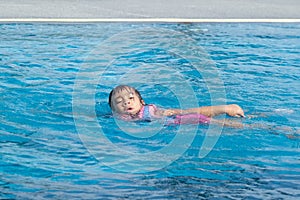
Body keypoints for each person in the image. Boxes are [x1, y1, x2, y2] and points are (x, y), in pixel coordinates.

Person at [108, 85, 245, 127]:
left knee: (198, 116)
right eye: (119, 102)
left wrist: (164, 113)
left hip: (171, 117)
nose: (126, 102)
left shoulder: (148, 110)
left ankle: (228, 114)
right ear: (113, 108)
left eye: (131, 98)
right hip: (171, 120)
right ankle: (227, 110)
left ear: (142, 102)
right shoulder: (118, 116)